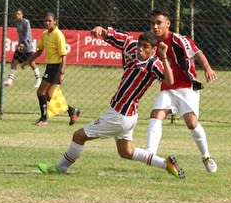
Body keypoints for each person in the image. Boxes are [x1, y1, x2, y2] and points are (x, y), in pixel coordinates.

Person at [38, 28, 185, 179]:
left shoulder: (154, 64)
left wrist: (164, 57)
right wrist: (103, 30)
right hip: (128, 116)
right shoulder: (132, 47)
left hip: (119, 115)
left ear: (154, 49)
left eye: (145, 47)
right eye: (140, 45)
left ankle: (59, 168)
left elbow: (170, 81)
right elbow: (120, 38)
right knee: (126, 152)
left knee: (79, 136)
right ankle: (165, 164)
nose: (140, 49)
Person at [145, 8, 218, 173]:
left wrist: (207, 68)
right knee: (156, 114)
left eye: (159, 23)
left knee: (191, 122)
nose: (155, 27)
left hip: (186, 86)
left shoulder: (178, 39)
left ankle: (206, 156)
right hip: (168, 88)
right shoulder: (151, 43)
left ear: (168, 24)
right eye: (152, 23)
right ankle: (150, 154)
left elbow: (197, 52)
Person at [22, 11, 80, 127]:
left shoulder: (58, 35)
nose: (47, 22)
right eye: (45, 20)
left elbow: (64, 56)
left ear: (55, 22)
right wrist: (28, 61)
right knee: (48, 95)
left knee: (40, 92)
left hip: (57, 67)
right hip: (50, 67)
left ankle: (44, 119)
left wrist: (62, 73)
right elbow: (39, 50)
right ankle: (72, 111)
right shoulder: (45, 34)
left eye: (50, 20)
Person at [3, 8, 41, 88]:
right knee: (14, 61)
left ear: (22, 15)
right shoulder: (17, 23)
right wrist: (20, 44)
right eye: (16, 14)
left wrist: (23, 43)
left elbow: (27, 33)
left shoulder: (26, 22)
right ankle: (10, 80)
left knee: (31, 63)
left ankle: (39, 80)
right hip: (21, 46)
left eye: (19, 14)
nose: (17, 15)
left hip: (27, 46)